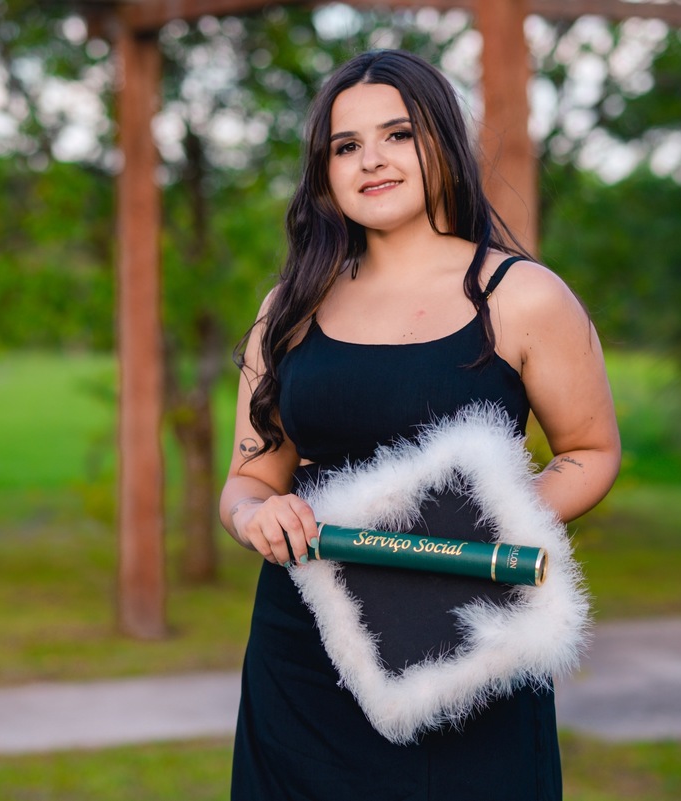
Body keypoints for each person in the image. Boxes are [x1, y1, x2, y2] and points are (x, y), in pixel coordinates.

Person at [219, 49, 620, 800]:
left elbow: (591, 451)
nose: (372, 159)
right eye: (346, 146)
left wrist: (473, 534)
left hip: (464, 639)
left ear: (442, 143)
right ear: (324, 172)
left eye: (398, 135)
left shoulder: (523, 296)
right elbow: (250, 477)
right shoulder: (289, 307)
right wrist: (254, 516)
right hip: (302, 656)